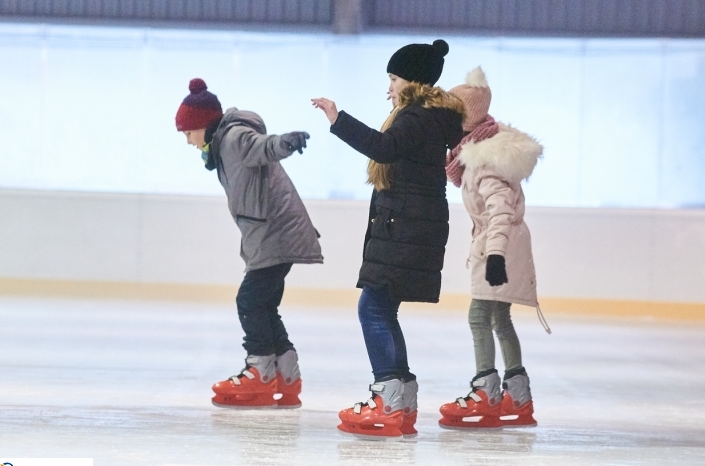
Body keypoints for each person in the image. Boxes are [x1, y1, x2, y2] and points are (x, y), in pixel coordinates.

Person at [311, 40, 464, 439]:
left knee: (373, 309)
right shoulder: (431, 117)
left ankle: (391, 395)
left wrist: (337, 117)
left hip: (405, 226)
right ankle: (398, 398)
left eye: (393, 78)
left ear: (411, 80)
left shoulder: (415, 118)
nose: (388, 88)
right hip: (411, 225)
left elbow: (384, 147)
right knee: (381, 308)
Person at [175, 78, 323, 409]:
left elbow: (264, 146)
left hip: (275, 232)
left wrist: (287, 141)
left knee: (249, 300)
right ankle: (286, 375)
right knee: (264, 304)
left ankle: (260, 371)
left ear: (202, 125)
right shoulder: (221, 144)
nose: (187, 141)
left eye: (188, 133)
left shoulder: (234, 137)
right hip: (272, 232)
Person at [439, 66, 548, 429]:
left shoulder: (483, 162)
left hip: (497, 247)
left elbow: (500, 212)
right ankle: (518, 398)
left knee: (479, 318)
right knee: (500, 319)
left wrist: (496, 256)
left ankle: (486, 393)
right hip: (500, 244)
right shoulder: (477, 153)